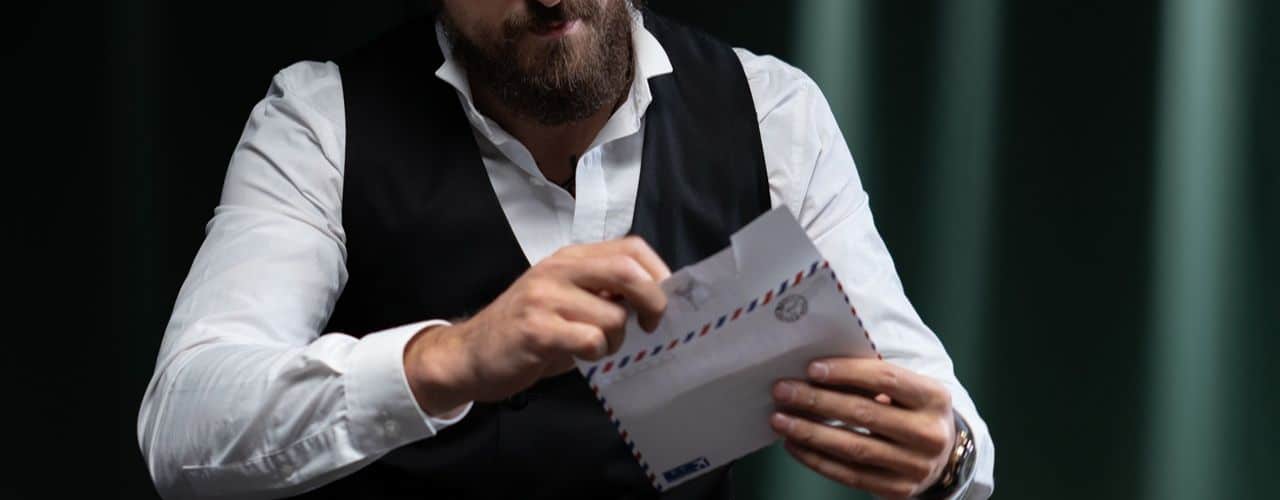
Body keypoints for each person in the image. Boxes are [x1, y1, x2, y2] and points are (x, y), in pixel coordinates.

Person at [136, 1, 994, 498]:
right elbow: (183, 427)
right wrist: (450, 359)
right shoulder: (321, 122)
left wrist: (945, 456)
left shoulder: (773, 113)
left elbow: (947, 421)